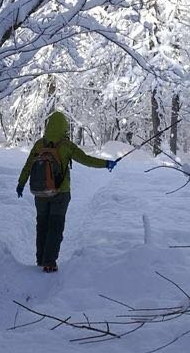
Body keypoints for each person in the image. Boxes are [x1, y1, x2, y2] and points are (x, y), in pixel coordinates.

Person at [16, 111, 117, 272]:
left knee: (42, 225)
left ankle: (40, 259)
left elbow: (28, 165)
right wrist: (106, 164)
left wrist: (21, 184)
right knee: (55, 226)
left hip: (40, 193)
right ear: (64, 127)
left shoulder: (39, 144)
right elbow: (86, 160)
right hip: (60, 193)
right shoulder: (66, 145)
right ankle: (49, 262)